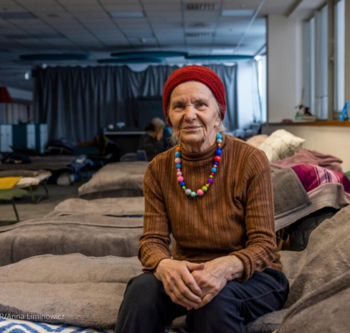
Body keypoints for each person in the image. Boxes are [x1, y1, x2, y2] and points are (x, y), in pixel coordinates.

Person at [115, 66, 289, 333]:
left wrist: (224, 268)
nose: (190, 115)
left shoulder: (250, 161)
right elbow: (152, 242)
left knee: (214, 302)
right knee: (141, 291)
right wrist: (164, 265)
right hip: (189, 273)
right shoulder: (159, 169)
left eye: (200, 105)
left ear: (218, 114)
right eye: (179, 107)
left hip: (252, 275)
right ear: (169, 118)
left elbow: (264, 246)